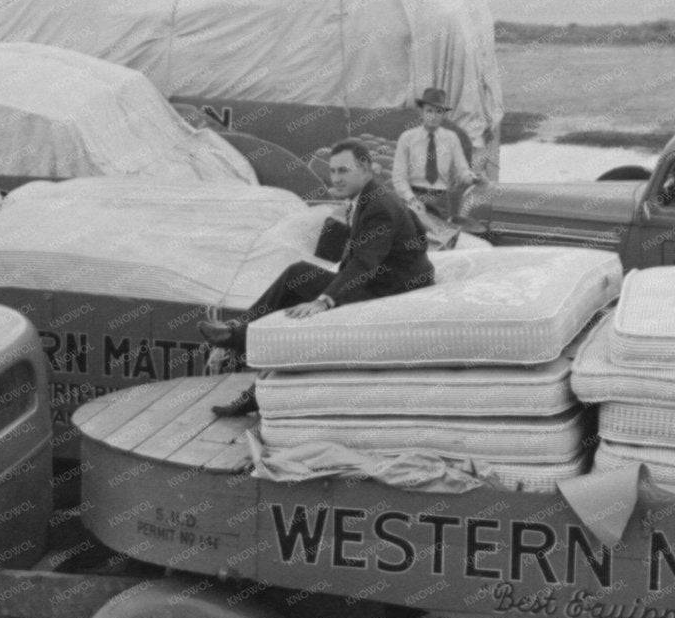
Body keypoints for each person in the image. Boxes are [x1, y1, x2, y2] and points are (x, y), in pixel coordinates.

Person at [199, 140, 435, 417]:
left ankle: (237, 338)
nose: (335, 178)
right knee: (295, 286)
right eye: (333, 171)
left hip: (388, 289)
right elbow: (418, 233)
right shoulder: (374, 196)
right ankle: (246, 358)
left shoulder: (378, 205)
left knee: (297, 279)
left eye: (343, 171)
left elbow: (363, 263)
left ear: (365, 169)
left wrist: (325, 300)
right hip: (389, 280)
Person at [391, 87, 483, 221]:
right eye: (429, 111)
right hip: (413, 197)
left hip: (440, 201)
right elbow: (398, 177)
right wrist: (411, 199)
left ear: (443, 114)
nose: (434, 116)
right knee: (413, 238)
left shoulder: (451, 138)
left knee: (441, 238)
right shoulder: (407, 138)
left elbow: (463, 170)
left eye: (439, 111)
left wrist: (474, 178)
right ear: (421, 112)